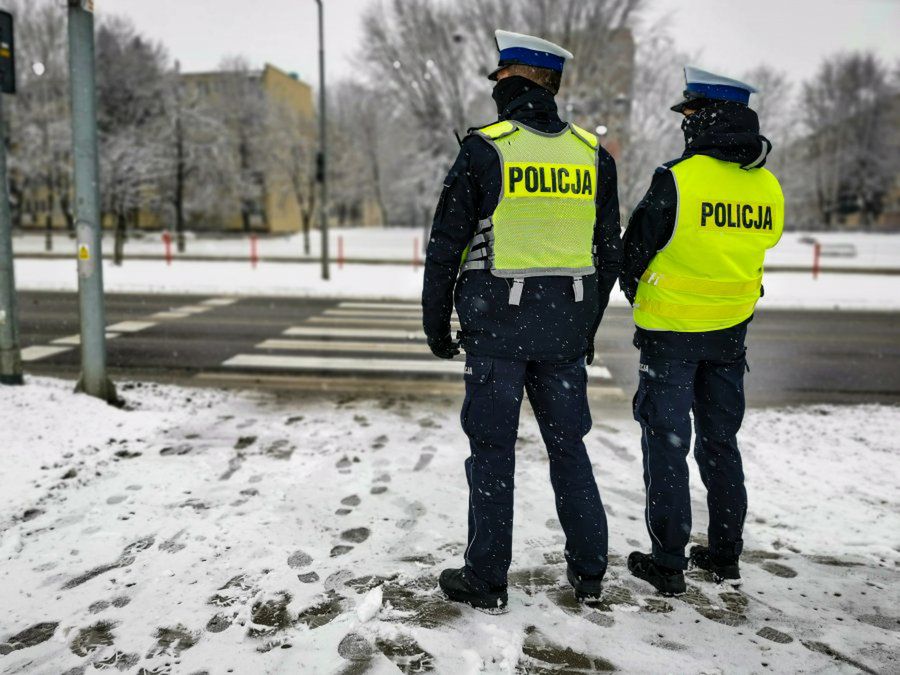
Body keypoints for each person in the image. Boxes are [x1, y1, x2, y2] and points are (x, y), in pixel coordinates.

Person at [422, 29, 623, 612]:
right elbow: (607, 254)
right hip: (562, 333)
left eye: (500, 80)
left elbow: (446, 246)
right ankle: (589, 571)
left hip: (495, 333)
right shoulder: (591, 155)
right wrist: (583, 324)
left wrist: (437, 325)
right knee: (570, 449)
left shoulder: (486, 148)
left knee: (491, 452)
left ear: (509, 83)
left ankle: (486, 579)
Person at [621, 66, 784, 596]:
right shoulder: (767, 185)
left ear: (704, 117)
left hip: (669, 335)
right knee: (720, 443)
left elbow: (635, 249)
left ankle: (668, 562)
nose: (684, 123)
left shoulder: (678, 179)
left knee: (667, 445)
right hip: (730, 337)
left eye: (688, 113)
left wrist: (636, 288)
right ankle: (725, 553)